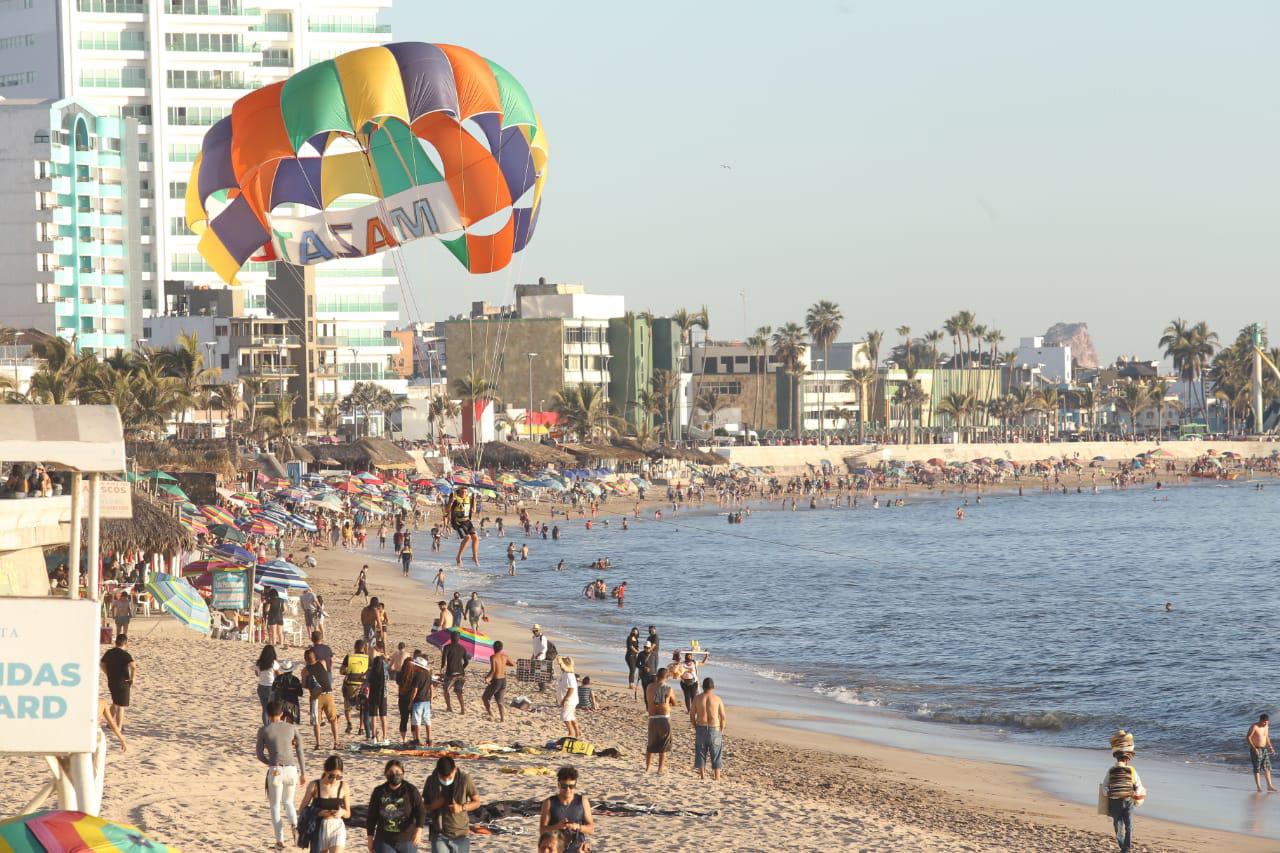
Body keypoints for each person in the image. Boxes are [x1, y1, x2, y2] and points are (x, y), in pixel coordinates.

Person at [256, 699, 307, 851]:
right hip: (292, 769)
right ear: (282, 714)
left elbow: (259, 754)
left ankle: (280, 841)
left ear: (268, 714)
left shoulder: (264, 730)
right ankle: (296, 828)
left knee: (275, 806)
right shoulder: (292, 727)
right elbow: (300, 751)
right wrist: (303, 772)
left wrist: (270, 762)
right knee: (289, 802)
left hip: (276, 769)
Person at [1099, 730, 1146, 853]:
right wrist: (1138, 794)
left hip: (1122, 802)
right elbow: (1139, 786)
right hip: (1122, 802)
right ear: (1128, 758)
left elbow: (1104, 787)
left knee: (1122, 826)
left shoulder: (1122, 770)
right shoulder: (1121, 770)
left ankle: (1126, 849)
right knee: (1125, 827)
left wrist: (1108, 792)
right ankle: (1124, 848)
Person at [422, 756, 481, 853]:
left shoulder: (465, 779)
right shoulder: (431, 781)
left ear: (455, 770)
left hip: (460, 834)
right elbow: (423, 808)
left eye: (449, 777)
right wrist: (433, 806)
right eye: (442, 778)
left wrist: (462, 807)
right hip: (438, 833)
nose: (446, 780)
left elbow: (477, 802)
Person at [366, 758, 424, 853]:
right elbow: (371, 816)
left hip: (407, 840)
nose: (394, 774)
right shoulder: (379, 791)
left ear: (403, 773)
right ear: (385, 774)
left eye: (397, 771)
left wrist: (419, 831)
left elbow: (421, 811)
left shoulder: (411, 790)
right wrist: (370, 838)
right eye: (391, 772)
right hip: (384, 840)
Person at [299, 754, 351, 853]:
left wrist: (342, 812)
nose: (334, 780)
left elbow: (348, 814)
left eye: (338, 777)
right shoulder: (314, 785)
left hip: (337, 826)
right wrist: (318, 812)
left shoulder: (344, 787)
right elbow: (302, 809)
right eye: (331, 776)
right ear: (325, 771)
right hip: (319, 827)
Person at [538, 766, 595, 853]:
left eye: (571, 786)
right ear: (558, 785)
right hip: (555, 848)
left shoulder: (583, 801)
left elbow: (591, 829)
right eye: (564, 786)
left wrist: (577, 827)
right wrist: (558, 826)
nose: (568, 789)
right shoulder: (549, 802)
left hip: (578, 848)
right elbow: (542, 830)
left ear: (575, 785)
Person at [302, 649, 340, 751]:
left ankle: (318, 744)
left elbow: (304, 685)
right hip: (328, 694)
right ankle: (336, 742)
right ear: (315, 657)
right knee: (333, 720)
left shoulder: (305, 670)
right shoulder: (322, 663)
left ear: (305, 659)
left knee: (316, 722)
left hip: (316, 697)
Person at [690, 677, 727, 780]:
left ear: (703, 686)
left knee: (700, 752)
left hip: (701, 728)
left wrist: (695, 726)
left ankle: (702, 776)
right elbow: (723, 717)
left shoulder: (697, 698)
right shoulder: (717, 699)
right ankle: (717, 777)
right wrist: (722, 730)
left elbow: (692, 714)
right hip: (714, 729)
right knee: (716, 753)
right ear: (713, 687)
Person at [644, 667, 678, 773]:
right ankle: (660, 768)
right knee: (663, 744)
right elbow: (674, 702)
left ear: (657, 675)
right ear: (667, 677)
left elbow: (648, 700)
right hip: (664, 718)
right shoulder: (668, 688)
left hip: (652, 717)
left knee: (651, 744)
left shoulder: (649, 687)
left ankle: (648, 767)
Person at [100, 634, 135, 733]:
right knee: (121, 705)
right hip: (123, 682)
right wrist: (133, 678)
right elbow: (133, 666)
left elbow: (101, 663)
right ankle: (118, 727)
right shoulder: (125, 654)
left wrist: (107, 673)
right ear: (126, 643)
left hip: (112, 681)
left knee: (115, 702)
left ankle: (109, 723)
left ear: (116, 642)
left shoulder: (109, 652)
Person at [445, 484, 480, 567]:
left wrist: (474, 499)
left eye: (465, 492)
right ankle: (458, 557)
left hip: (467, 521)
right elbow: (447, 510)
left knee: (475, 538)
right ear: (459, 492)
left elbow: (474, 511)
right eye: (462, 491)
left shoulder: (469, 498)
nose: (464, 493)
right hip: (458, 522)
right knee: (467, 537)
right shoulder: (455, 499)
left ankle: (475, 557)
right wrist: (451, 501)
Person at [403, 650, 434, 746]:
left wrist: (411, 702)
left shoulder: (417, 675)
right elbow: (431, 688)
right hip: (427, 700)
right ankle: (429, 739)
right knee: (427, 720)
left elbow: (415, 690)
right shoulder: (428, 675)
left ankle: (418, 739)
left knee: (417, 721)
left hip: (418, 701)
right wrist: (431, 700)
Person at [340, 640, 370, 735]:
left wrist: (347, 672)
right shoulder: (368, 658)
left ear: (354, 647)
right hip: (362, 685)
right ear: (364, 648)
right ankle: (361, 728)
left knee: (347, 706)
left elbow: (341, 670)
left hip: (350, 684)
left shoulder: (349, 657)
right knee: (362, 707)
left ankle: (349, 724)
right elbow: (370, 672)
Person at [364, 643, 390, 743]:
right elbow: (388, 666)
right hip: (383, 695)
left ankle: (374, 736)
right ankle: (385, 737)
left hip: (373, 695)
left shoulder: (371, 672)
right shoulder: (385, 672)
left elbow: (367, 680)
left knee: (373, 716)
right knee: (383, 717)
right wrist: (385, 659)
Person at [440, 630, 470, 715]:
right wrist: (462, 668)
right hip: (460, 674)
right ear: (459, 639)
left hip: (451, 673)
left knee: (446, 689)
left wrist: (442, 667)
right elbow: (467, 662)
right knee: (458, 691)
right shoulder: (462, 648)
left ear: (451, 638)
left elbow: (444, 659)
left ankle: (449, 707)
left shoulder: (447, 647)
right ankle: (462, 709)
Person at [1247, 713, 1277, 792]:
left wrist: (1271, 747)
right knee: (1257, 768)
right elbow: (1248, 737)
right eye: (1264, 722)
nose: (1265, 724)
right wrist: (1254, 749)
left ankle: (1269, 786)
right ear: (1260, 720)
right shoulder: (1254, 727)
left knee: (1267, 767)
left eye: (1267, 722)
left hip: (1264, 749)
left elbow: (1266, 737)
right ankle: (1259, 787)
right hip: (1256, 749)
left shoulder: (1266, 726)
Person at [482, 640, 510, 722]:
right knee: (500, 701)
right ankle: (502, 719)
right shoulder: (505, 656)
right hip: (503, 681)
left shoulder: (493, 657)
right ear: (501, 648)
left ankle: (491, 714)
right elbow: (513, 664)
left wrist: (487, 678)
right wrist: (503, 663)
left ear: (493, 648)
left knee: (484, 698)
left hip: (496, 681)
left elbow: (493, 670)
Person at [555, 656, 581, 739]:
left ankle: (571, 733)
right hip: (570, 700)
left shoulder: (568, 675)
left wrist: (564, 699)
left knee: (565, 717)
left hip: (569, 701)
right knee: (571, 716)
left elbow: (571, 689)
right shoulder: (566, 674)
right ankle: (577, 732)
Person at [254, 644, 280, 725]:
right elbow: (278, 674)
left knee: (265, 708)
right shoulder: (273, 663)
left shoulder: (259, 663)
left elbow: (257, 674)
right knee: (272, 709)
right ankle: (272, 724)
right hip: (271, 686)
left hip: (261, 686)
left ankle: (266, 725)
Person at [624, 628, 641, 699]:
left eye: (636, 631)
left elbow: (637, 647)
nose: (634, 632)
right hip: (629, 655)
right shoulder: (629, 638)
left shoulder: (636, 639)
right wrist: (637, 652)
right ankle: (631, 684)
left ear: (637, 633)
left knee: (635, 669)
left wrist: (638, 651)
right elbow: (631, 647)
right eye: (633, 631)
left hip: (635, 656)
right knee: (632, 669)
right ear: (631, 631)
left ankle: (632, 683)